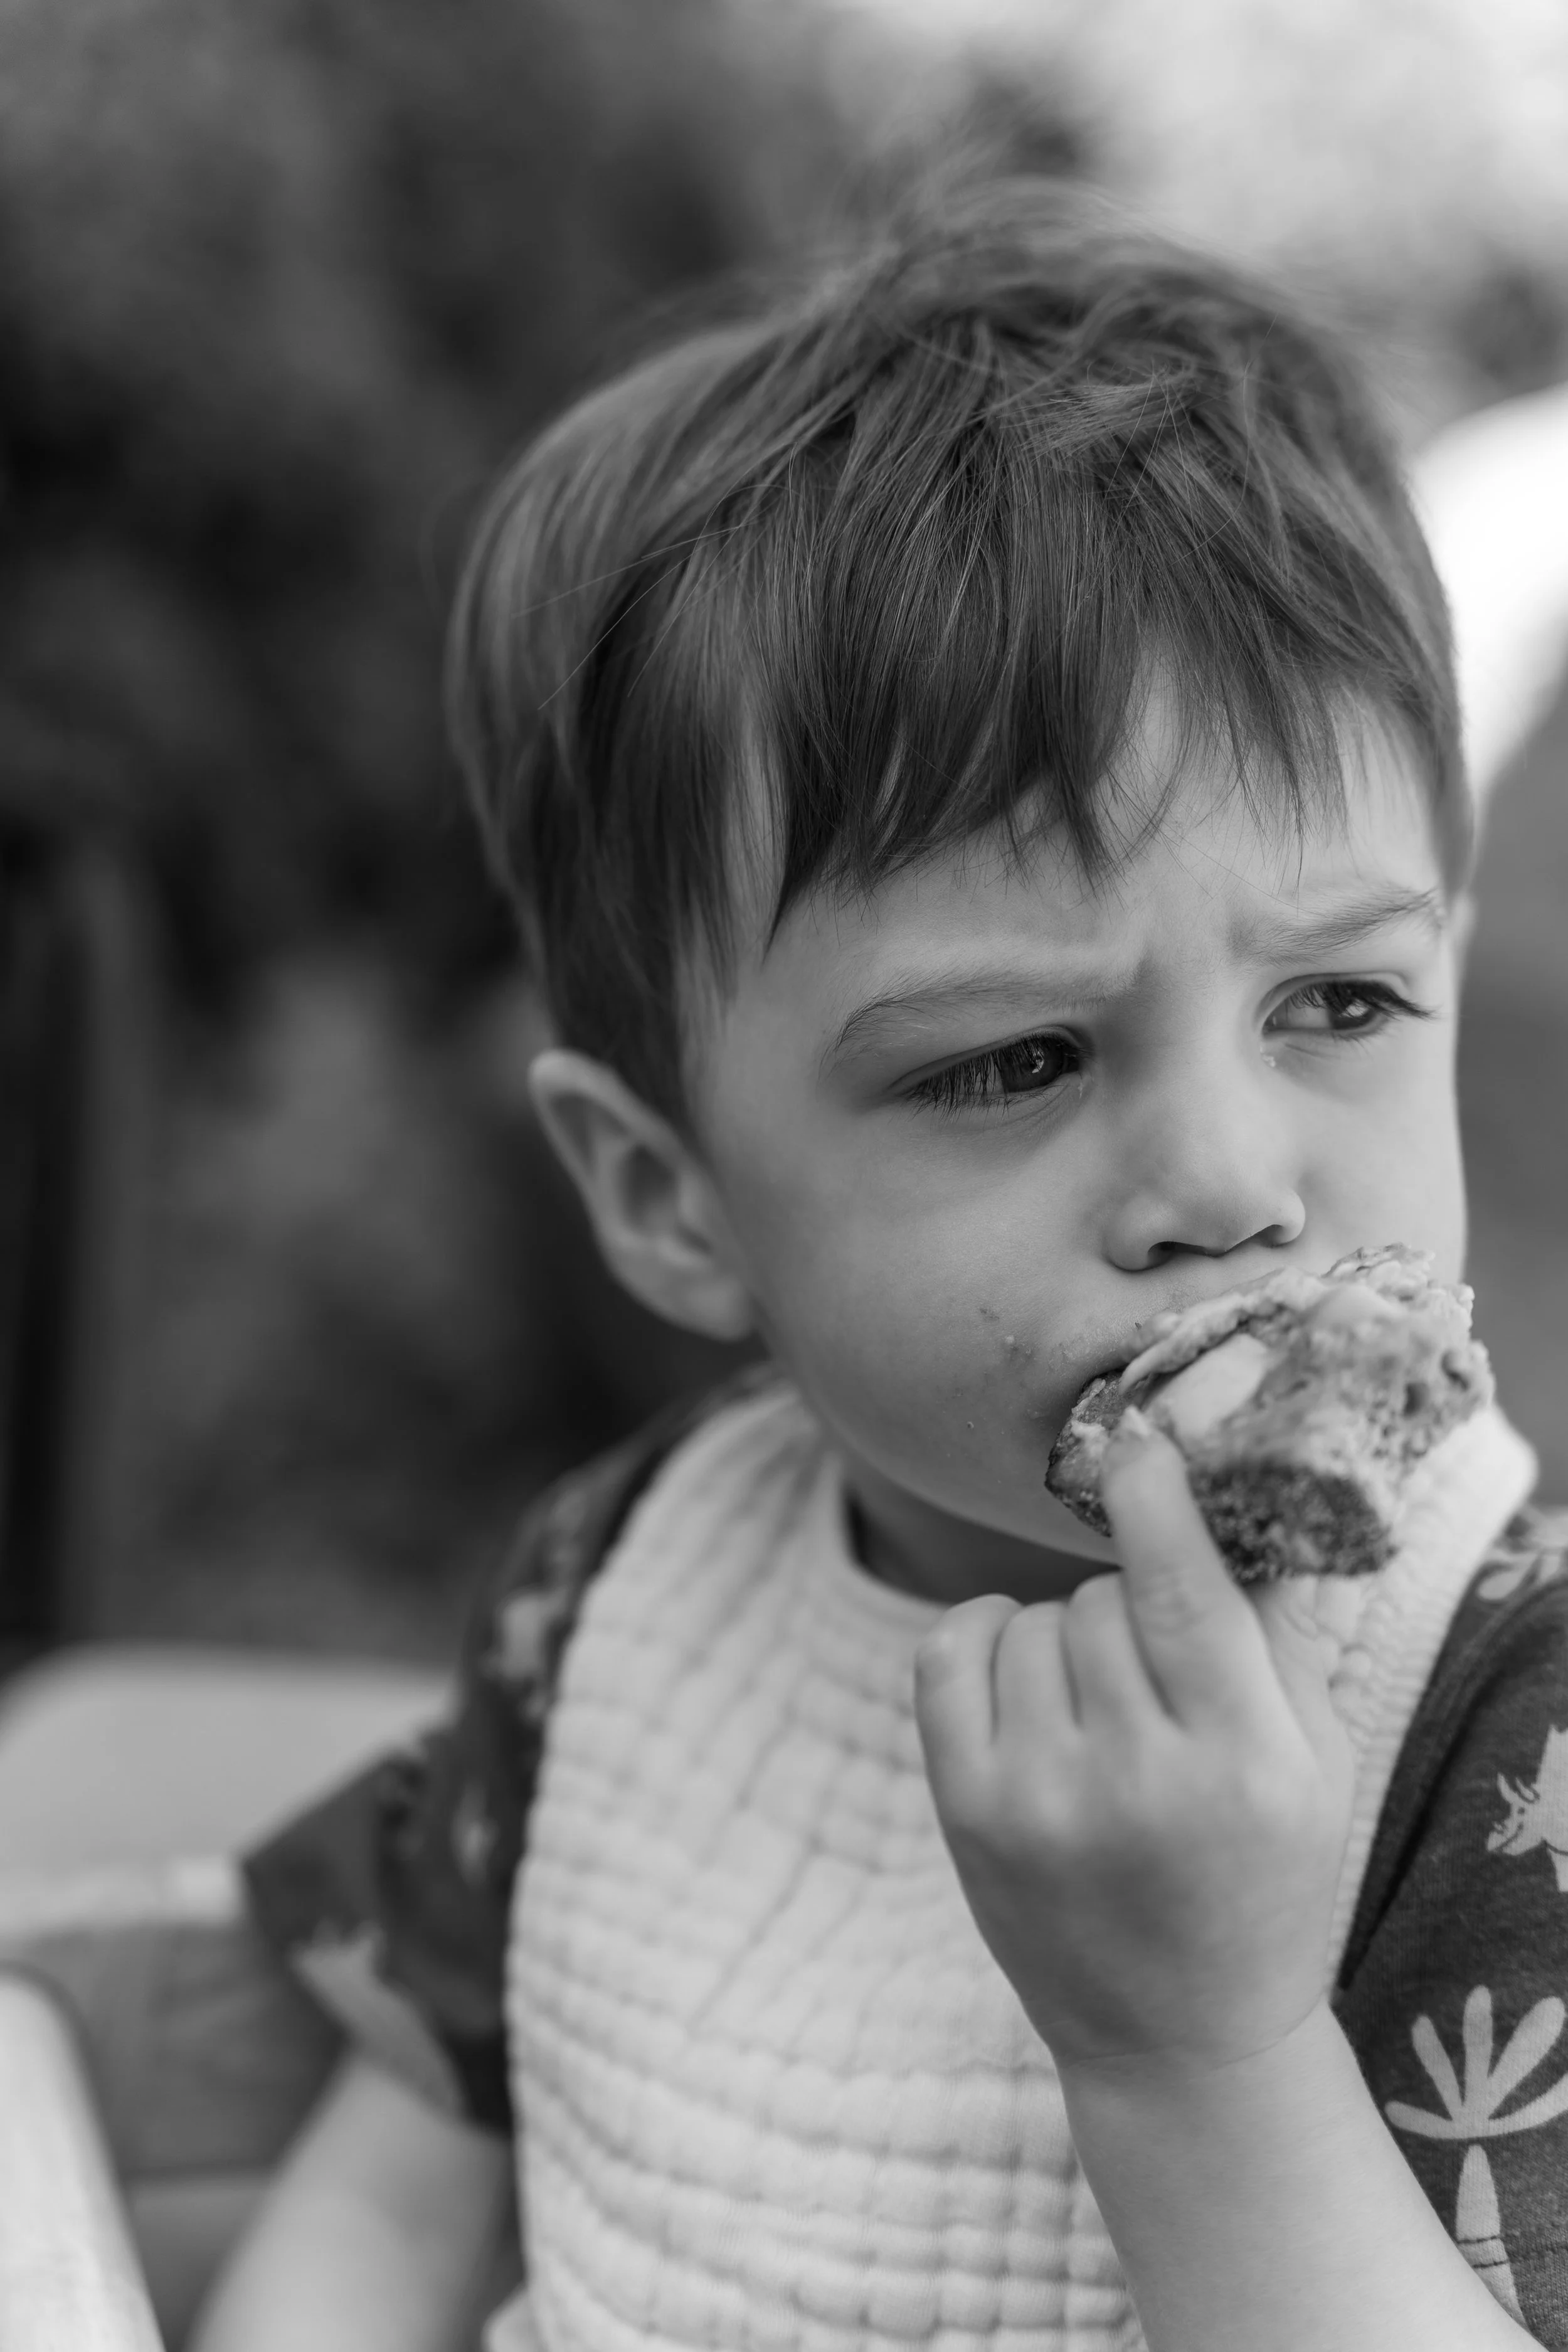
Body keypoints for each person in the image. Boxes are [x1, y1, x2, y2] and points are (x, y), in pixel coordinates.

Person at [191, 184, 1568, 2352]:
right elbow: (381, 2217)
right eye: (1012, 1056)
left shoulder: (1504, 1717)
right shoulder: (612, 1598)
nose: (1228, 1180)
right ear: (671, 1200)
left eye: (1337, 1004)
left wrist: (1192, 2053)